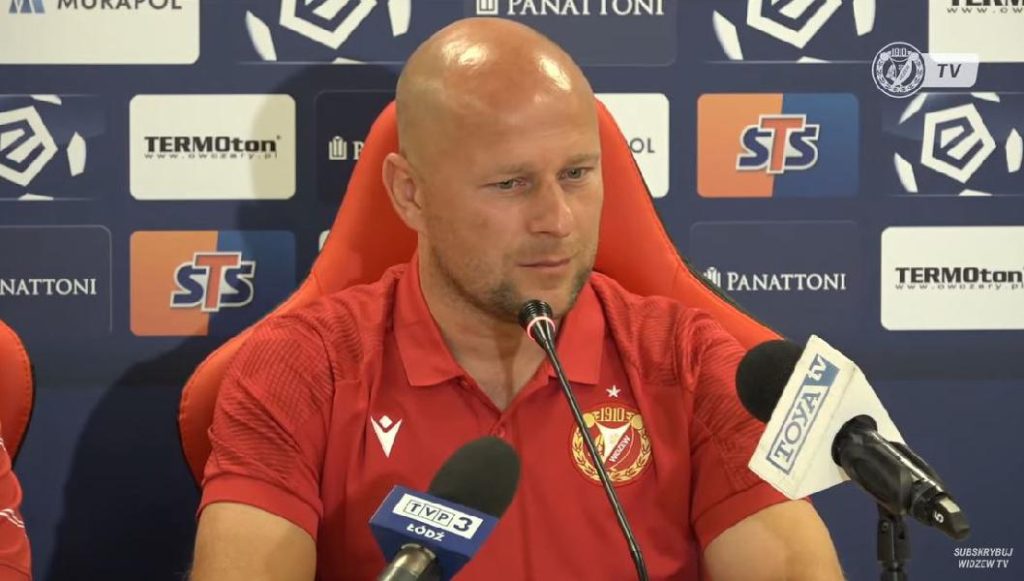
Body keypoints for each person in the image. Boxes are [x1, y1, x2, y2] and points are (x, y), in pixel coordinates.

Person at [189, 17, 844, 581]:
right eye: (511, 184)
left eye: (577, 174)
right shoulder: (300, 368)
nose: (557, 219)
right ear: (410, 194)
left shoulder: (692, 362)